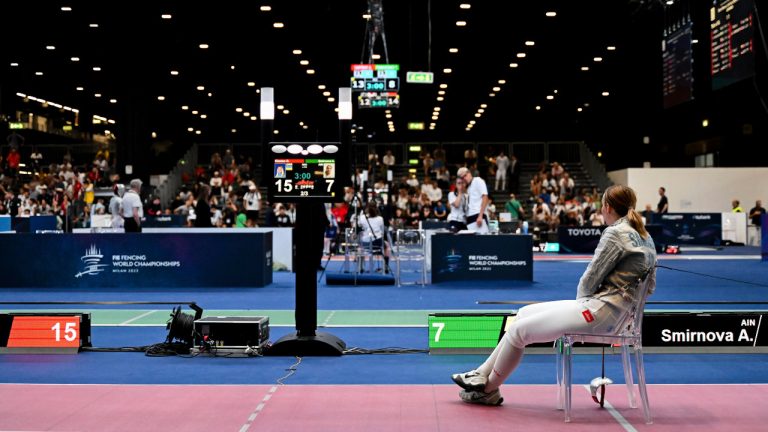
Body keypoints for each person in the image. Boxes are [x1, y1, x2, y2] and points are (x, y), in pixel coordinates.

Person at [451, 184, 657, 406]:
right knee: (523, 313)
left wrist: (583, 306)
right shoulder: (645, 236)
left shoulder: (615, 232)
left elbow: (590, 278)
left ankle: (488, 390)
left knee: (519, 331)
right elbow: (650, 287)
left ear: (607, 207)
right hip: (615, 314)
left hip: (600, 313)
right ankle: (481, 374)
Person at [457, 166, 489, 234]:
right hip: (470, 216)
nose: (464, 178)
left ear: (469, 173)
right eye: (462, 178)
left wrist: (480, 215)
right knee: (474, 242)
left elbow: (485, 197)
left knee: (482, 240)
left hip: (478, 215)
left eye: (465, 175)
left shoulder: (478, 180)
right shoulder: (468, 187)